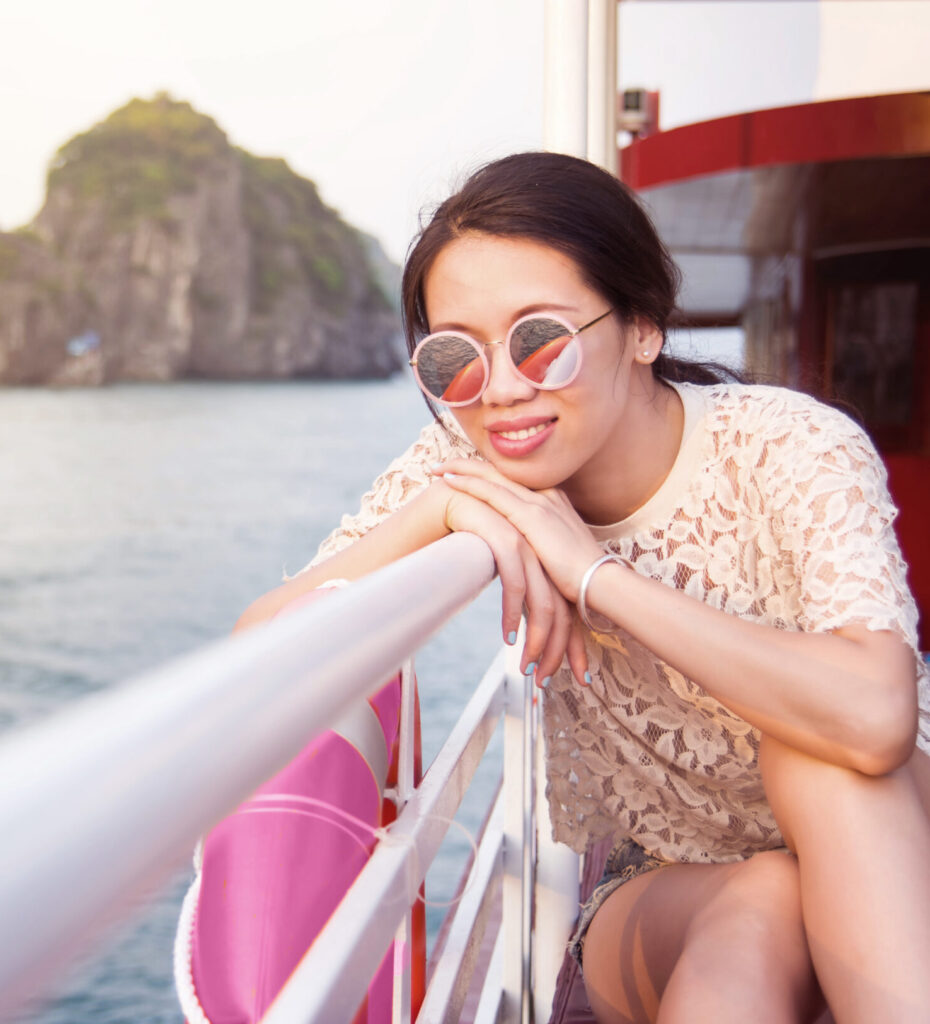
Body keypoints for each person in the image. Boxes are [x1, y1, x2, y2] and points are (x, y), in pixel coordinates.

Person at [237, 152, 930, 1024]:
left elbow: (875, 721)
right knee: (762, 904)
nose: (501, 391)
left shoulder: (789, 448)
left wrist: (594, 577)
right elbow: (260, 642)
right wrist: (438, 510)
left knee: (818, 758)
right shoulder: (465, 467)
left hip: (887, 837)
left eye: (540, 341)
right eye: (456, 358)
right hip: (671, 884)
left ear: (643, 326)